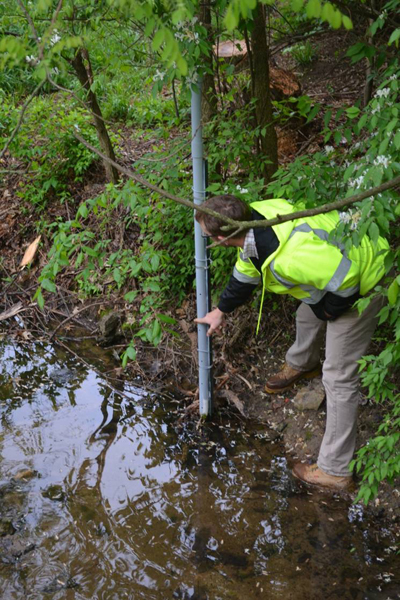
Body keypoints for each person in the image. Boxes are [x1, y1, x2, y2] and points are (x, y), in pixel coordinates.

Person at [194, 195, 389, 491]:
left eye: (207, 236)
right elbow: (247, 271)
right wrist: (221, 311)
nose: (207, 240)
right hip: (342, 259)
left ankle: (335, 471)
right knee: (305, 312)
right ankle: (303, 364)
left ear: (221, 238)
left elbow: (347, 282)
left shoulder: (289, 258)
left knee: (338, 376)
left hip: (366, 276)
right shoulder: (257, 218)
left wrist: (328, 312)